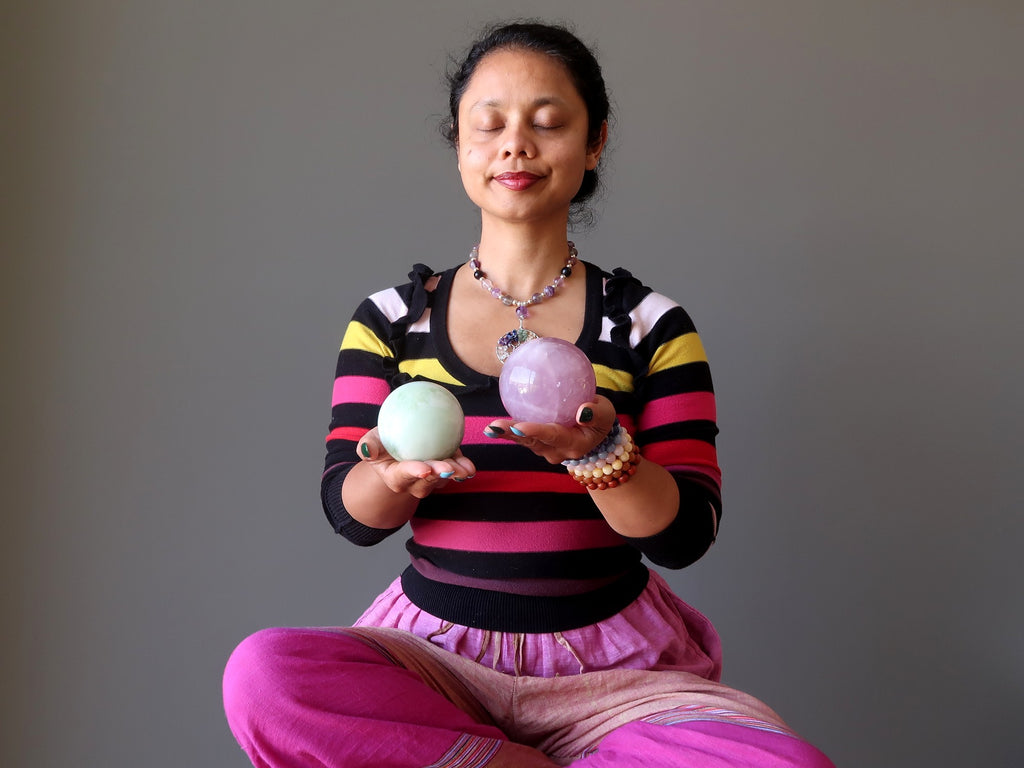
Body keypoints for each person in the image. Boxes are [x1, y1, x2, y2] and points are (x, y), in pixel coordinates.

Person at [223, 21, 835, 768]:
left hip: (613, 678)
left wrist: (604, 455)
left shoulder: (650, 325)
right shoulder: (390, 320)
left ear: (595, 141)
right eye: (489, 124)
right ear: (459, 143)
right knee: (265, 676)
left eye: (548, 123)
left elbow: (686, 535)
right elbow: (346, 513)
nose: (516, 145)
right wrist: (390, 478)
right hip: (433, 663)